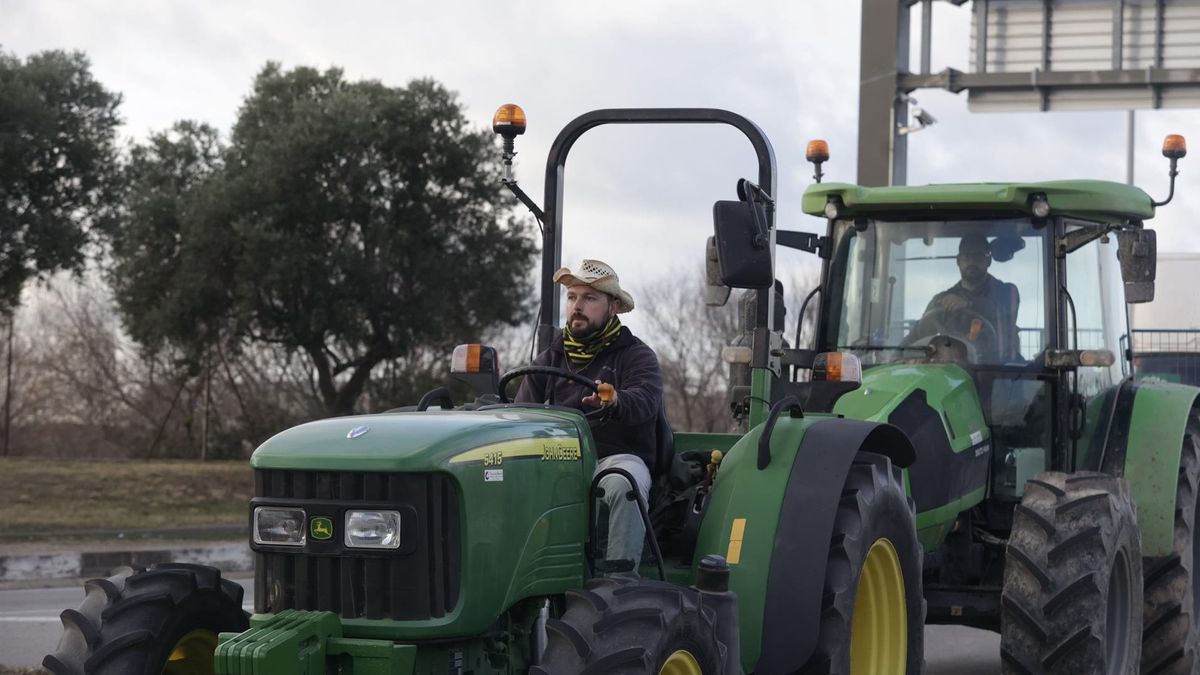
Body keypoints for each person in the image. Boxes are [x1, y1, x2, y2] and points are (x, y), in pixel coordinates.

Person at [515, 259, 663, 576]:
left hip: (611, 459)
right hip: (556, 461)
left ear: (612, 307)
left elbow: (646, 401)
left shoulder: (635, 355)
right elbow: (520, 415)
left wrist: (614, 399)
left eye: (589, 298)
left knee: (624, 482)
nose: (577, 306)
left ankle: (619, 583)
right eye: (572, 297)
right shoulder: (549, 358)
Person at [911, 233, 1021, 361]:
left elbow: (1002, 309)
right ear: (958, 261)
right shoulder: (941, 300)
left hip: (998, 370)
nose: (972, 261)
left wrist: (969, 303)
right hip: (953, 369)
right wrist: (897, 353)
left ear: (988, 261)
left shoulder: (1007, 292)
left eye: (978, 256)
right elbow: (918, 333)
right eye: (966, 256)